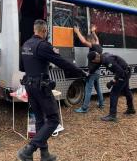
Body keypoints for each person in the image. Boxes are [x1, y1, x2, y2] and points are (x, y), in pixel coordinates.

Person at [18, 19, 87, 161]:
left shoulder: (26, 44)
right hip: (40, 87)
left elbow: (22, 67)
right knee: (54, 119)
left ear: (34, 30)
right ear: (44, 31)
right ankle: (29, 150)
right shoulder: (43, 45)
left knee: (39, 120)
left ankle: (45, 154)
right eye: (46, 31)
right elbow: (61, 62)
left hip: (29, 85)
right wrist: (81, 72)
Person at [88, 52, 136, 122]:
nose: (92, 62)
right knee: (126, 90)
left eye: (92, 61)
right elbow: (96, 66)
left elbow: (120, 72)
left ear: (94, 59)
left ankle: (112, 115)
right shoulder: (101, 57)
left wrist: (112, 82)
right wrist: (88, 73)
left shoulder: (107, 60)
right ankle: (131, 109)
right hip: (126, 71)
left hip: (123, 73)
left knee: (114, 93)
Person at [73, 25, 104, 113]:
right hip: (98, 72)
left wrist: (77, 31)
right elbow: (97, 39)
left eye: (89, 40)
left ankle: (84, 108)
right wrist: (93, 32)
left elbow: (83, 41)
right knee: (97, 88)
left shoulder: (93, 46)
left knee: (88, 89)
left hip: (93, 72)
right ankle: (101, 104)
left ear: (90, 41)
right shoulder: (99, 46)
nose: (88, 42)